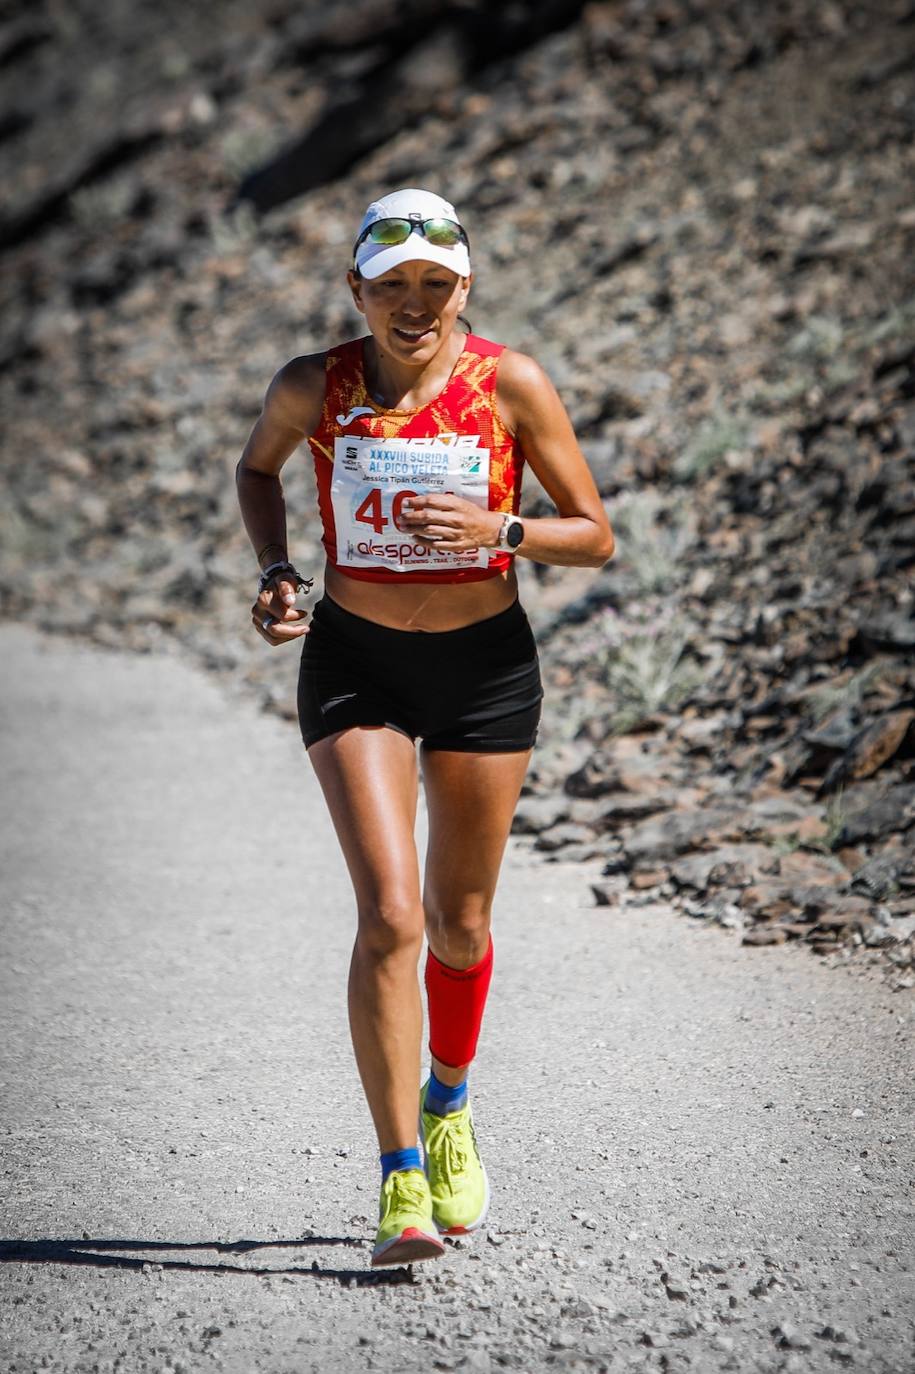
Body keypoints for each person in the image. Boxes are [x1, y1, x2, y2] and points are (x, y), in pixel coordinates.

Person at [236, 187, 614, 1267]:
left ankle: (449, 1104)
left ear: (466, 284)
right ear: (356, 287)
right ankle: (401, 1178)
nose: (413, 305)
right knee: (392, 917)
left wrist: (503, 527)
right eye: (391, 284)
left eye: (434, 285)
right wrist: (275, 575)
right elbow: (257, 469)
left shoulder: (512, 383)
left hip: (484, 671)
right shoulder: (318, 385)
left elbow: (595, 536)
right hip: (355, 665)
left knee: (460, 925)